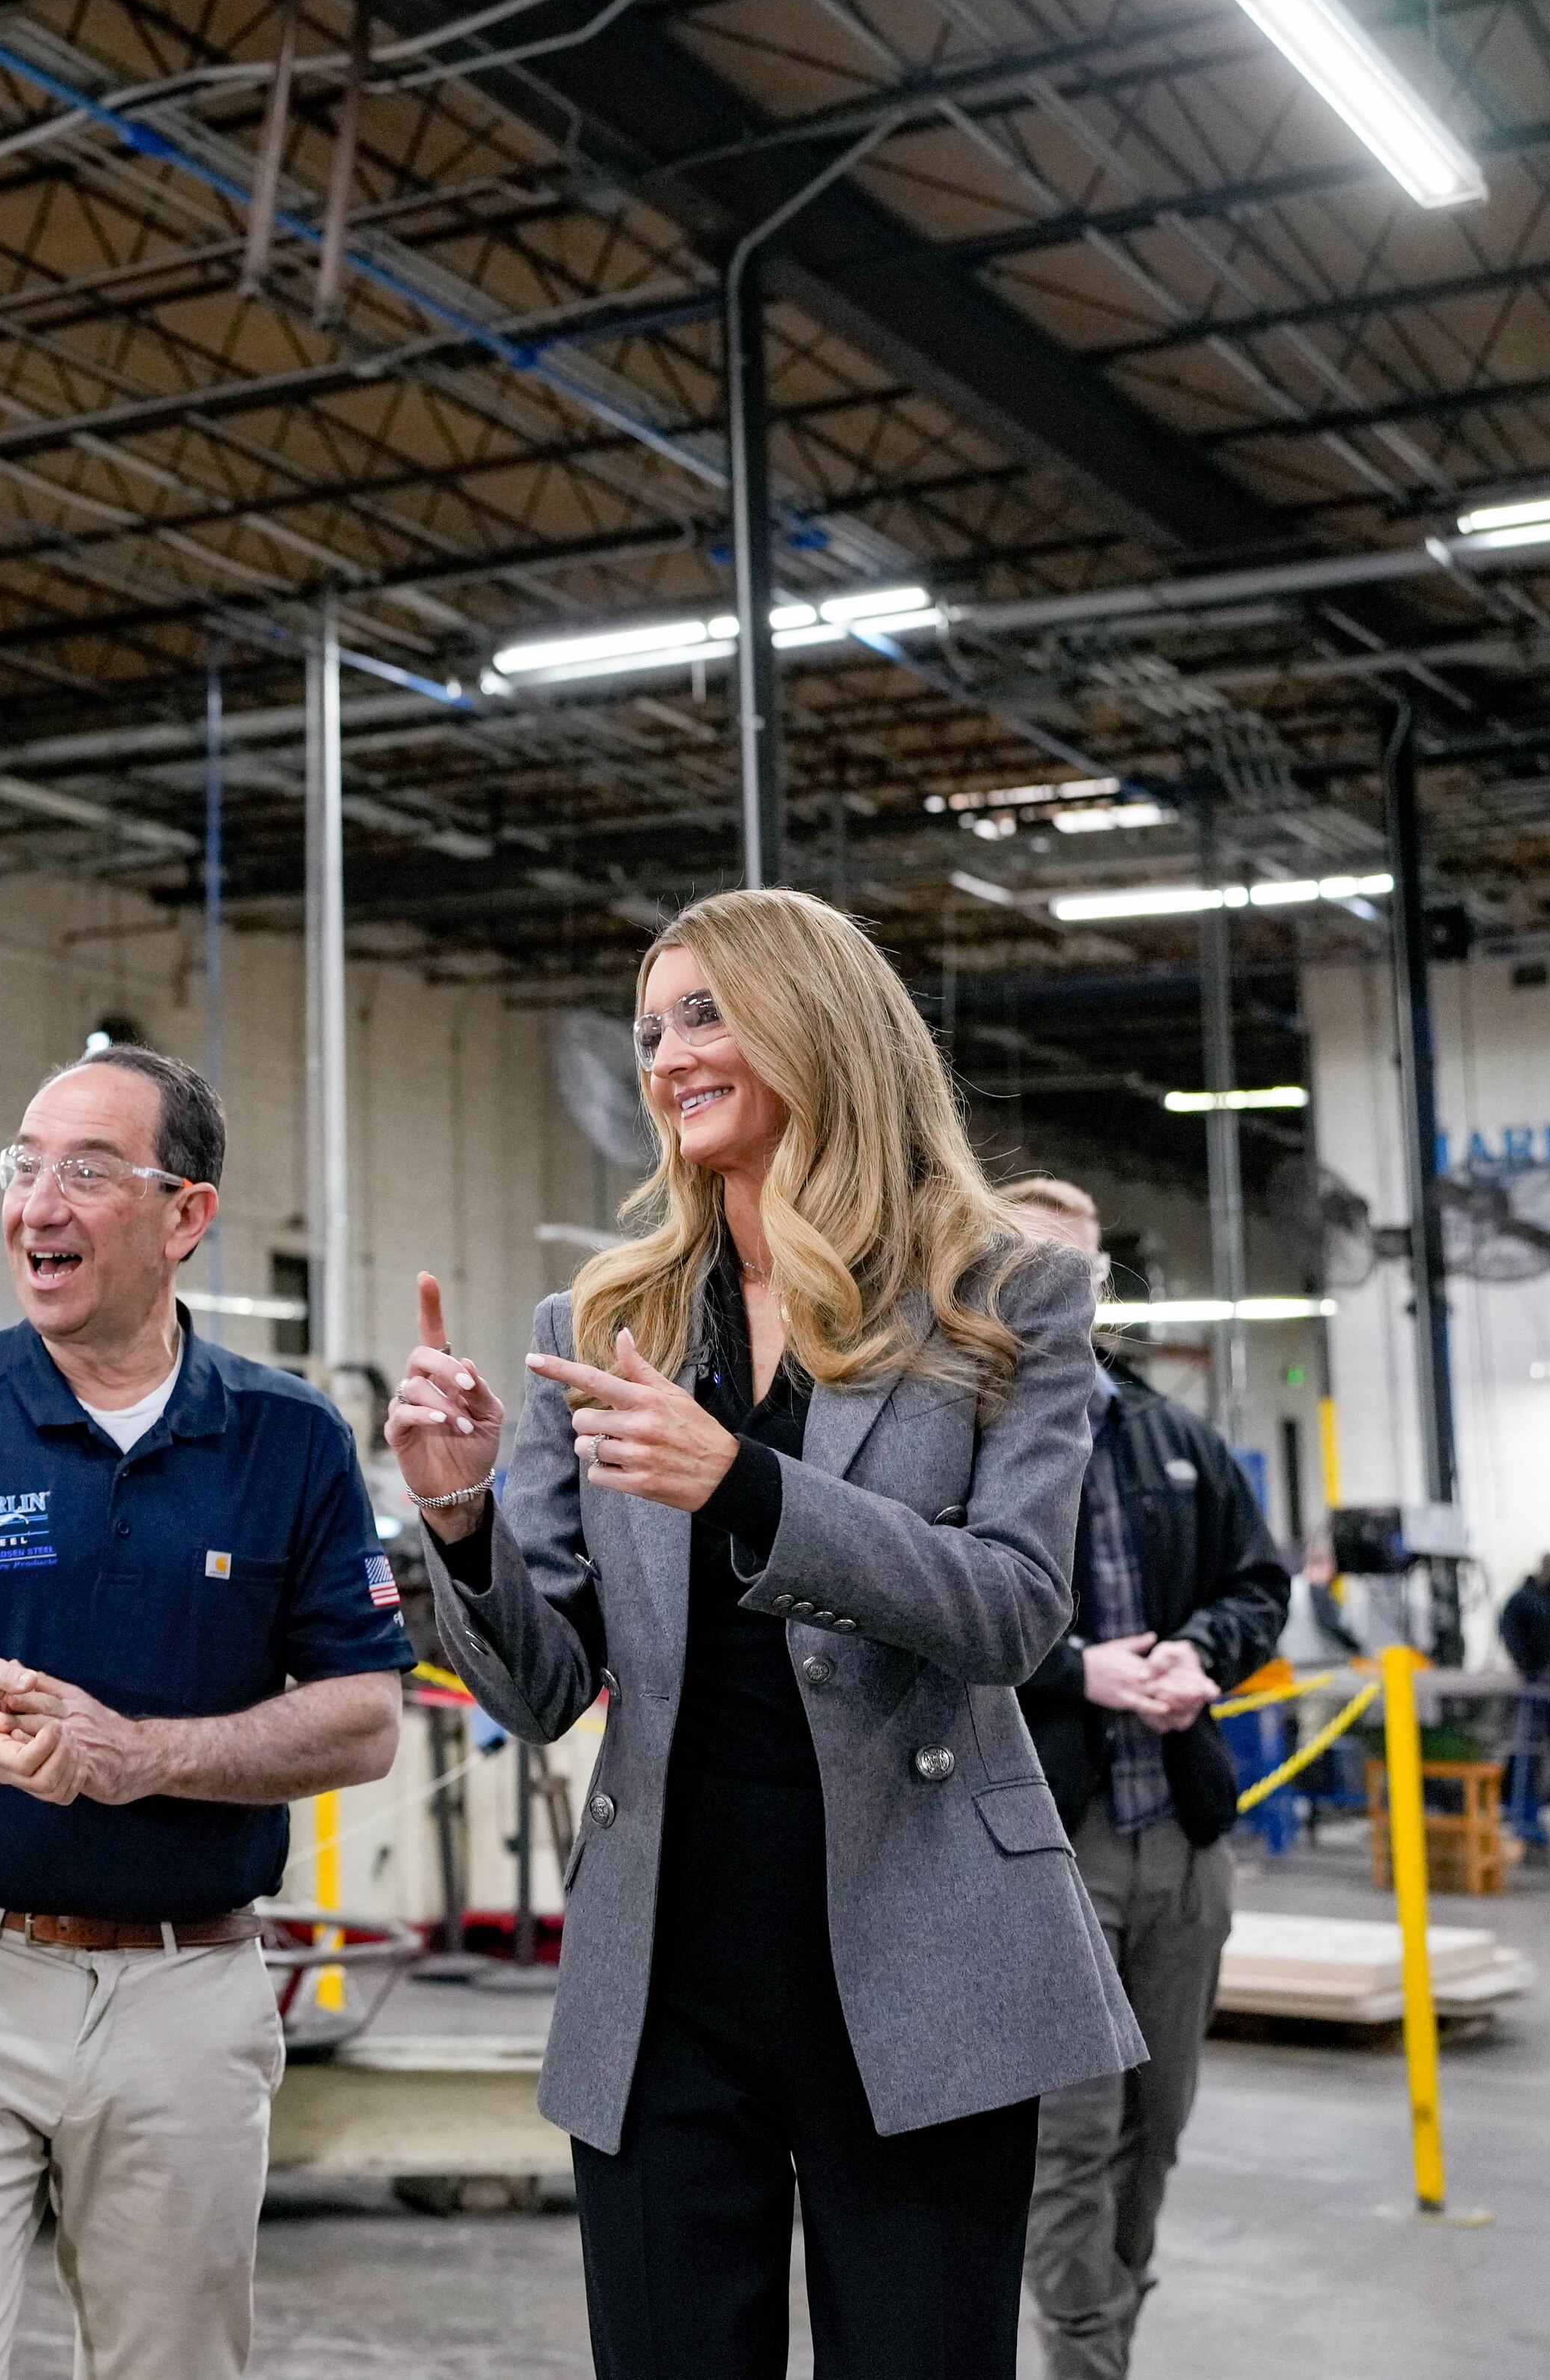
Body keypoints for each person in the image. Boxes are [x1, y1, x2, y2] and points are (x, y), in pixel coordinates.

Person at [385, 887, 1141, 2380]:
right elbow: (542, 1690)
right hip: (666, 1979)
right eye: (650, 1023)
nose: (665, 1054)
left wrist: (747, 1483)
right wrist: (457, 1510)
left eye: (703, 1012)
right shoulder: (605, 1321)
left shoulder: (1003, 1295)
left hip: (929, 1965)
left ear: (821, 1023)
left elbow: (1010, 1608)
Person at [0, 1042, 412, 2380]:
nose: (37, 1204)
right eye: (24, 1165)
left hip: (187, 1985)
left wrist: (144, 1755)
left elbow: (364, 1715)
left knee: (173, 2360)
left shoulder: (285, 1438)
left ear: (186, 1214)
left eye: (89, 1170)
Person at [996, 1174, 1290, 2380]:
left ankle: (1105, 2338)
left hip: (1180, 1830)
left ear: (1103, 1287)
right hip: (1045, 1839)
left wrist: (1197, 1657)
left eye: (1079, 1272)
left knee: (1154, 2129)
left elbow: (1257, 1582)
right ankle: (1086, 2359)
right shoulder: (957, 1438)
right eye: (1028, 1270)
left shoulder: (1178, 1440)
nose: (1059, 1295)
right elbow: (924, 1626)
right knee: (1069, 2136)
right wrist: (1078, 1672)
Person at [1499, 1551, 1550, 1811]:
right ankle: (1516, 1795)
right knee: (1526, 1739)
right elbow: (1509, 1632)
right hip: (1533, 1683)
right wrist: (1529, 1668)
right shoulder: (1523, 1601)